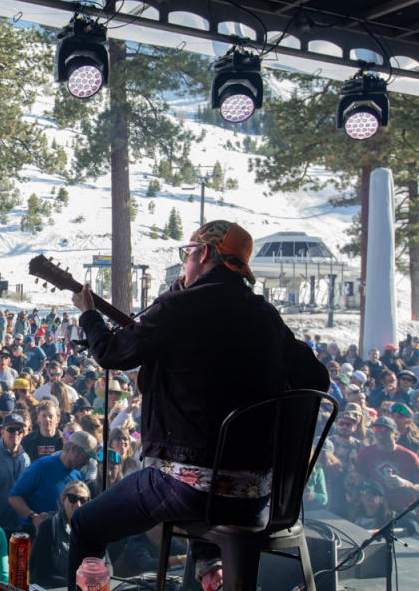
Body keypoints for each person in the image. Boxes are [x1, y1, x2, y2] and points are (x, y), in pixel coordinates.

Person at [67, 220, 328, 591]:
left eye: (187, 254)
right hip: (259, 496)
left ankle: (207, 561)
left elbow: (112, 352)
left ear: (203, 253)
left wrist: (90, 313)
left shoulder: (181, 307)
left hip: (191, 489)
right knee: (202, 481)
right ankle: (210, 564)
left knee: (85, 525)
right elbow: (316, 379)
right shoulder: (266, 316)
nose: (186, 263)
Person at [8, 431, 95, 533]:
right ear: (73, 449)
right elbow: (14, 497)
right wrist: (33, 517)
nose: (87, 462)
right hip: (35, 535)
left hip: (62, 536)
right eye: (85, 457)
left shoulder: (79, 475)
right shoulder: (41, 467)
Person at [30, 481, 90, 588]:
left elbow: (105, 562)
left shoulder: (91, 529)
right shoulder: (49, 526)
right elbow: (42, 572)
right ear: (62, 500)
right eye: (73, 498)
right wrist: (75, 587)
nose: (78, 504)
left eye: (83, 500)